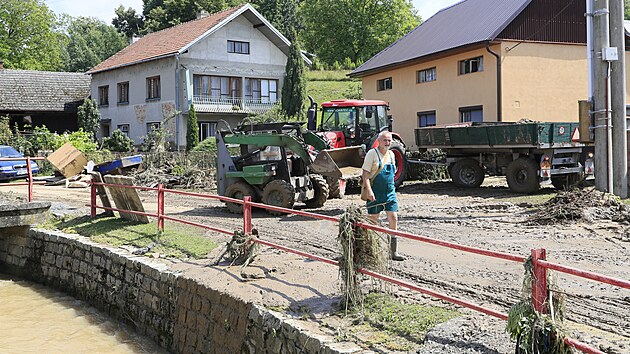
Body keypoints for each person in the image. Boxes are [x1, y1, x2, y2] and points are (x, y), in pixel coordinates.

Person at [361, 131, 404, 261]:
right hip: (375, 191)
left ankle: (393, 252)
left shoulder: (391, 154)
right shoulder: (371, 154)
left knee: (393, 217)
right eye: (385, 140)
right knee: (373, 219)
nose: (387, 143)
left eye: (389, 141)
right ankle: (371, 250)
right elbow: (365, 175)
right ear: (379, 141)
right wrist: (369, 191)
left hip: (390, 192)